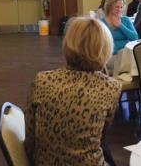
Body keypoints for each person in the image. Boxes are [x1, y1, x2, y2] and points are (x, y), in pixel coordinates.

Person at [24, 17, 121, 166]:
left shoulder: (42, 80)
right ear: (105, 48)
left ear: (68, 44)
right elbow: (100, 137)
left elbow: (30, 138)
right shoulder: (111, 88)